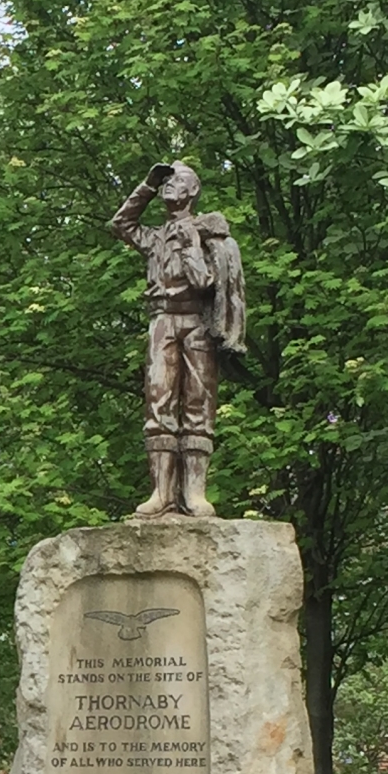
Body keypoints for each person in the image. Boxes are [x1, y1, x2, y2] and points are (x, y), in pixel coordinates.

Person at [107, 161, 245, 518]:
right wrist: (147, 184)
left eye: (176, 181)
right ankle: (162, 493)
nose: (169, 186)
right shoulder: (154, 237)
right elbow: (120, 224)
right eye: (165, 183)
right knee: (159, 400)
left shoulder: (206, 235)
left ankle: (194, 494)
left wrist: (190, 246)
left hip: (197, 323)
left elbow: (206, 283)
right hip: (162, 320)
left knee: (198, 402)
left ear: (192, 191)